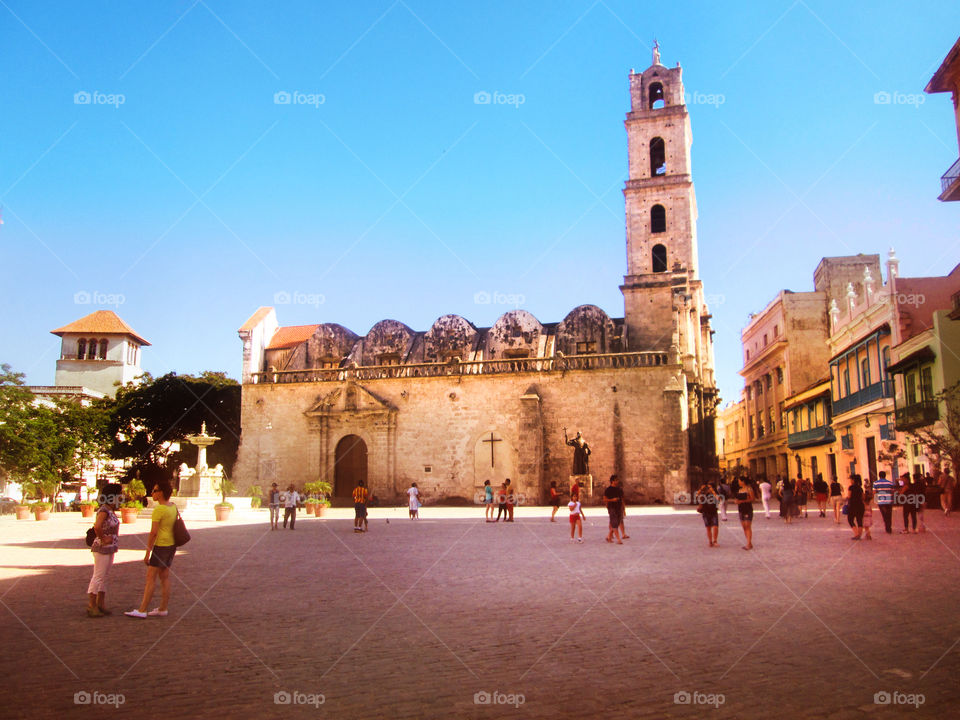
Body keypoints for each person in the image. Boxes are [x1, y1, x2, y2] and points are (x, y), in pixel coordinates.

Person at [125, 479, 178, 618]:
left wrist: (147, 552)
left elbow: (153, 532)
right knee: (165, 577)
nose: (152, 493)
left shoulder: (159, 509)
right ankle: (163, 608)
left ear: (161, 493)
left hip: (161, 545)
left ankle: (142, 610)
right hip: (171, 545)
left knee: (150, 578)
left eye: (154, 491)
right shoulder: (173, 507)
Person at [86, 483, 122, 618]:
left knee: (104, 577)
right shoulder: (104, 510)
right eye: (119, 494)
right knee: (98, 576)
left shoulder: (109, 510)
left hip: (110, 547)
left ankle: (100, 603)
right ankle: (91, 604)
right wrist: (103, 538)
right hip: (102, 548)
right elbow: (97, 526)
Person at [696, 480, 720, 547]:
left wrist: (713, 491)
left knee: (715, 526)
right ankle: (710, 541)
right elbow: (697, 495)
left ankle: (715, 540)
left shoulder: (715, 493)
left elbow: (719, 499)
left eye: (710, 487)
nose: (708, 489)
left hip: (713, 511)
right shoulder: (703, 493)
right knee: (708, 527)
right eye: (708, 487)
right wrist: (701, 489)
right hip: (705, 511)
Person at [603, 475, 624, 544]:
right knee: (614, 523)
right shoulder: (608, 490)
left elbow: (622, 500)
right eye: (616, 480)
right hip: (612, 508)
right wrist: (612, 500)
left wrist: (623, 509)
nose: (617, 481)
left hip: (619, 508)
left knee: (617, 523)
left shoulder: (619, 489)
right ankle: (618, 539)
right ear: (612, 481)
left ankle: (608, 536)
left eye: (617, 480)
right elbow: (605, 499)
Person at [735, 479, 755, 550]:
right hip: (741, 509)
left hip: (747, 508)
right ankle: (749, 542)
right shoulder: (740, 490)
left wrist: (743, 501)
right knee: (744, 526)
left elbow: (752, 499)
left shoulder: (749, 489)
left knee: (747, 525)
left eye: (739, 481)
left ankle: (749, 543)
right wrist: (737, 501)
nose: (738, 482)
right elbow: (737, 499)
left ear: (743, 481)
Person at [846, 475, 865, 540]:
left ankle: (856, 534)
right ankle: (859, 535)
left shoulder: (851, 487)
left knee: (850, 519)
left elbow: (849, 496)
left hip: (853, 505)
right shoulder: (860, 488)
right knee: (859, 520)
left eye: (851, 479)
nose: (850, 481)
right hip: (860, 505)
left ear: (853, 480)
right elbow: (863, 497)